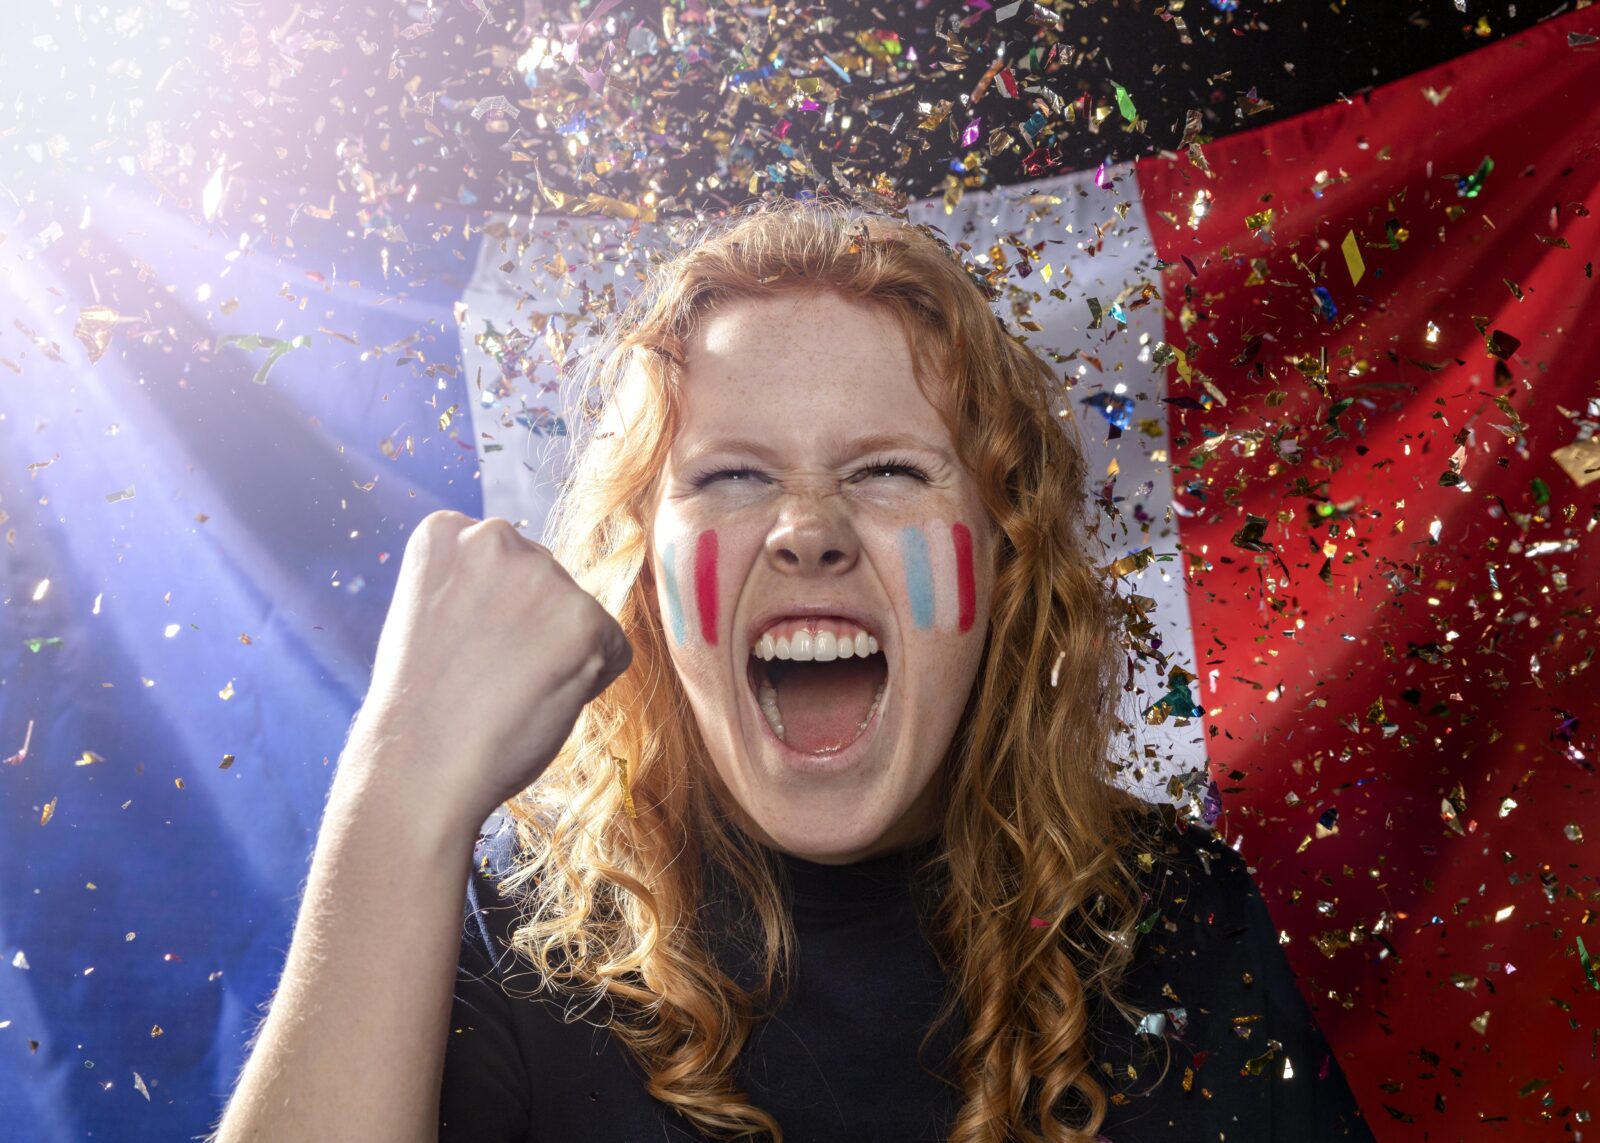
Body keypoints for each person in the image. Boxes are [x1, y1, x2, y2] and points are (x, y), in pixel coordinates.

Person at [211, 199, 1375, 1142]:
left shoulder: (1174, 919)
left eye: (883, 470)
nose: (806, 529)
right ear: (646, 579)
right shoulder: (523, 932)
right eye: (730, 478)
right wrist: (396, 786)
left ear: (1001, 557)